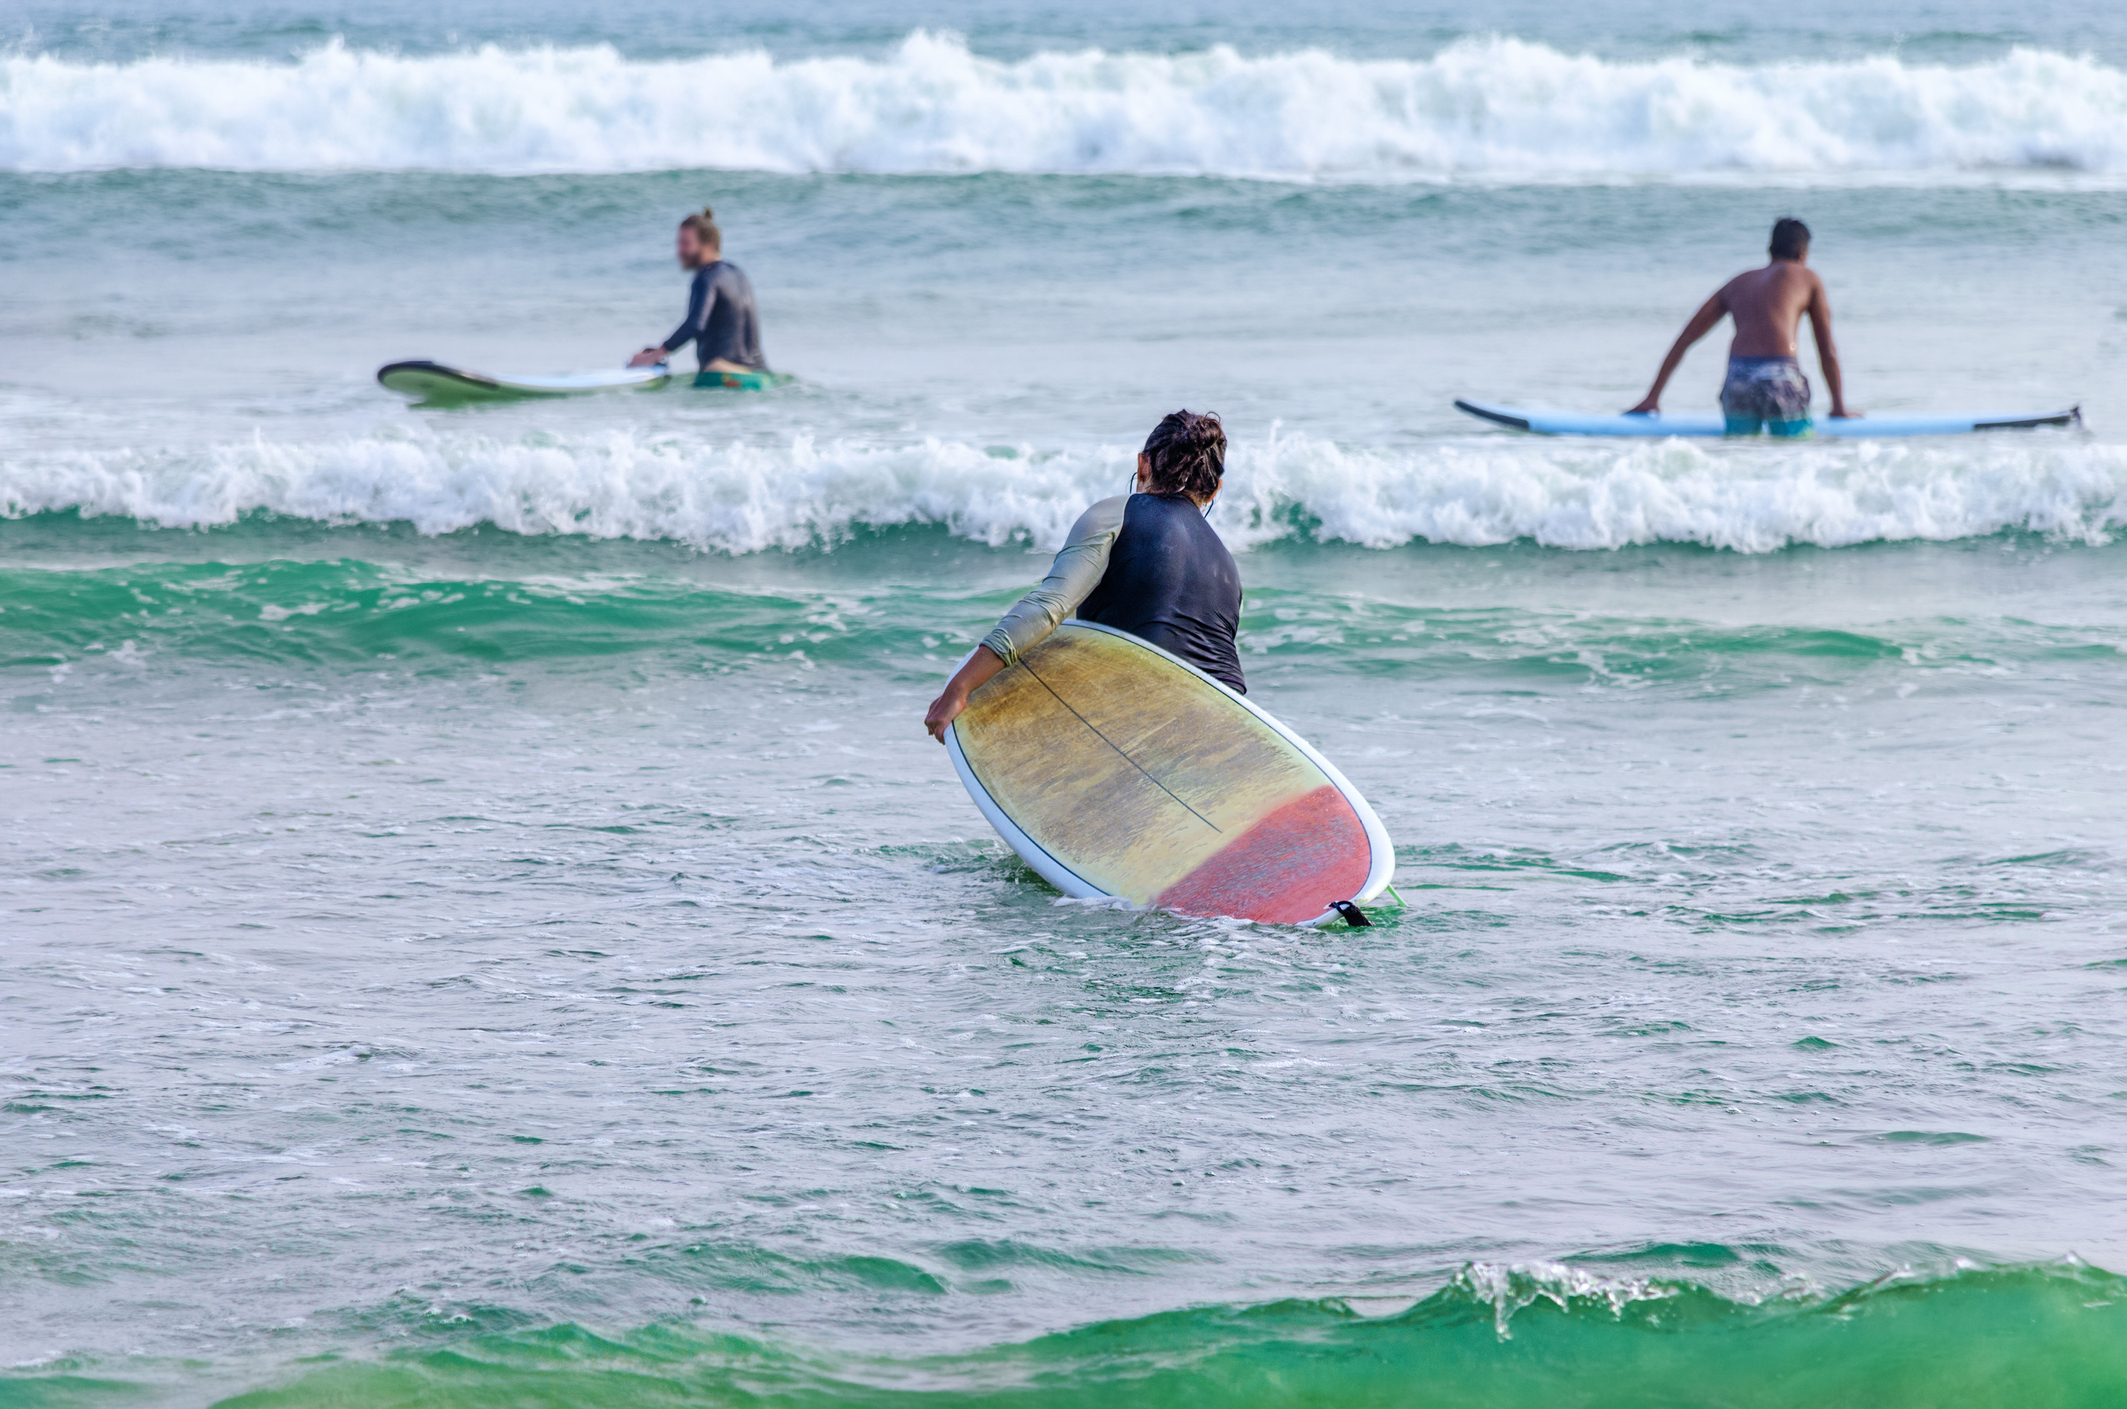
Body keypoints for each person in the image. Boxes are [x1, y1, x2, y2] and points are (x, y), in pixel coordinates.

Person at [925, 411, 1241, 742]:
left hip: (1139, 708)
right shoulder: (1228, 566)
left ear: (1143, 465)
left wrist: (959, 688)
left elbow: (1048, 608)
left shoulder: (1117, 513)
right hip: (1225, 720)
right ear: (1215, 489)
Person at [1627, 217, 1860, 435]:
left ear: (1770, 250)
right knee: (1794, 453)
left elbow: (1685, 339)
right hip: (1779, 378)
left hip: (1738, 381)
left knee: (1742, 452)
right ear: (1803, 252)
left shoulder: (1738, 282)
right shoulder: (1808, 278)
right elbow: (1826, 349)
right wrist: (1838, 406)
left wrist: (1653, 397)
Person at [628, 206, 768, 374]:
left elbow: (695, 324)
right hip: (760, 372)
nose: (680, 251)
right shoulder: (738, 273)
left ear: (708, 246)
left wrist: (656, 355)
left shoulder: (707, 275)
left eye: (686, 244)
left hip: (721, 372)